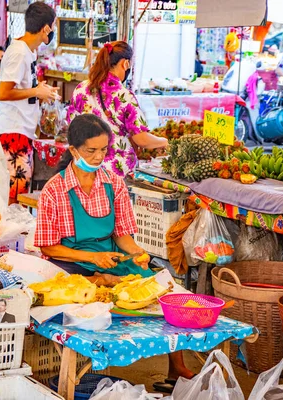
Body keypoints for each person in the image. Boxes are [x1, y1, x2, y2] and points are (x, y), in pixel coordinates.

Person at [34, 114, 196, 386]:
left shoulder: (113, 183)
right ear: (73, 150)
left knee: (161, 288)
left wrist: (138, 254)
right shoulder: (55, 190)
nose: (99, 157)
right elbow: (49, 246)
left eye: (103, 150)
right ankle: (77, 371)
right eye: (91, 150)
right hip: (70, 261)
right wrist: (92, 258)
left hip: (111, 256)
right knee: (89, 292)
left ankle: (176, 367)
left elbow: (122, 235)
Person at [67, 41, 167, 177]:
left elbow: (71, 124)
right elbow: (141, 139)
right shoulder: (123, 95)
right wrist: (164, 141)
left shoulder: (82, 88)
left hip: (85, 166)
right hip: (115, 172)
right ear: (125, 64)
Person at [0, 2, 59, 203]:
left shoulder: (29, 52)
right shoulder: (19, 52)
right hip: (12, 132)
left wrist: (41, 90)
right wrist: (36, 91)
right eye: (53, 26)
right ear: (46, 28)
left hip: (23, 131)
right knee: (14, 196)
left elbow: (24, 86)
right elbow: (3, 94)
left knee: (20, 194)